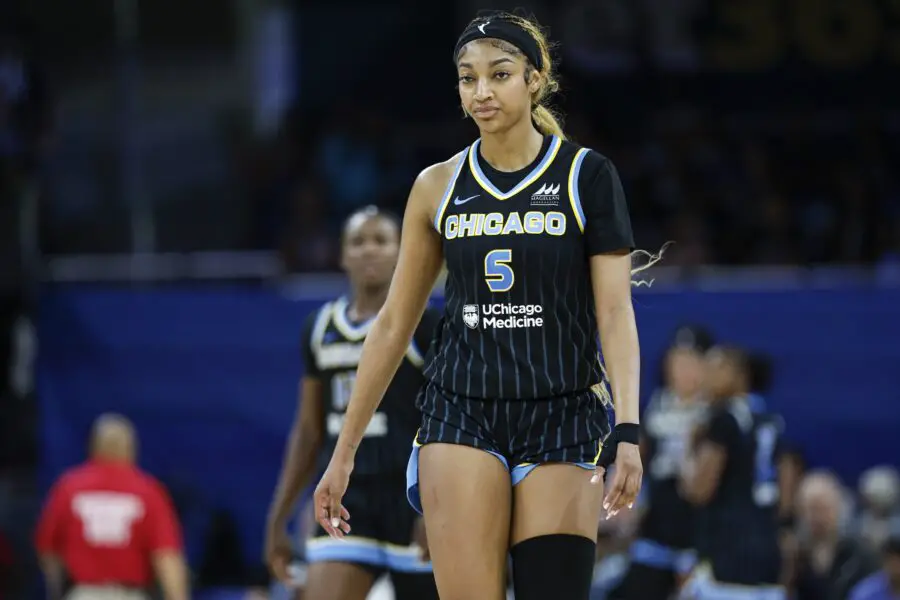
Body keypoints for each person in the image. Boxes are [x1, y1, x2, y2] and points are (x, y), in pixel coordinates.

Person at [312, 11, 652, 600]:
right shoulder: (436, 185)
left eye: (499, 74)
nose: (482, 91)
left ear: (534, 80)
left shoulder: (586, 176)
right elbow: (394, 323)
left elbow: (616, 314)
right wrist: (342, 455)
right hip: (462, 410)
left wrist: (628, 428)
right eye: (468, 78)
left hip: (564, 412)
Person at [265, 206, 441, 600]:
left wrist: (435, 507)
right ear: (342, 255)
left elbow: (445, 421)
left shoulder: (426, 325)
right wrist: (278, 516)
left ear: (401, 251)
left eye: (381, 240)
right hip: (349, 497)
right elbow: (308, 430)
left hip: (411, 497)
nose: (369, 250)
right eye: (358, 242)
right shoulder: (320, 329)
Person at [680, 346, 794, 600]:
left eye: (715, 368)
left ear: (739, 374)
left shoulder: (723, 420)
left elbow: (699, 491)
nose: (706, 377)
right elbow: (786, 492)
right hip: (767, 548)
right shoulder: (771, 420)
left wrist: (689, 450)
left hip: (727, 549)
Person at [34, 414, 188, 600]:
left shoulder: (69, 488)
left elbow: (48, 549)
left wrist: (58, 589)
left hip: (83, 594)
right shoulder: (147, 491)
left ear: (93, 447)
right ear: (130, 448)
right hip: (130, 594)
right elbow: (166, 557)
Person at [609, 325, 713, 599]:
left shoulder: (717, 415)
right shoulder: (655, 409)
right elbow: (633, 461)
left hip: (702, 539)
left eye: (692, 361)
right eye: (677, 361)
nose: (683, 370)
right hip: (656, 536)